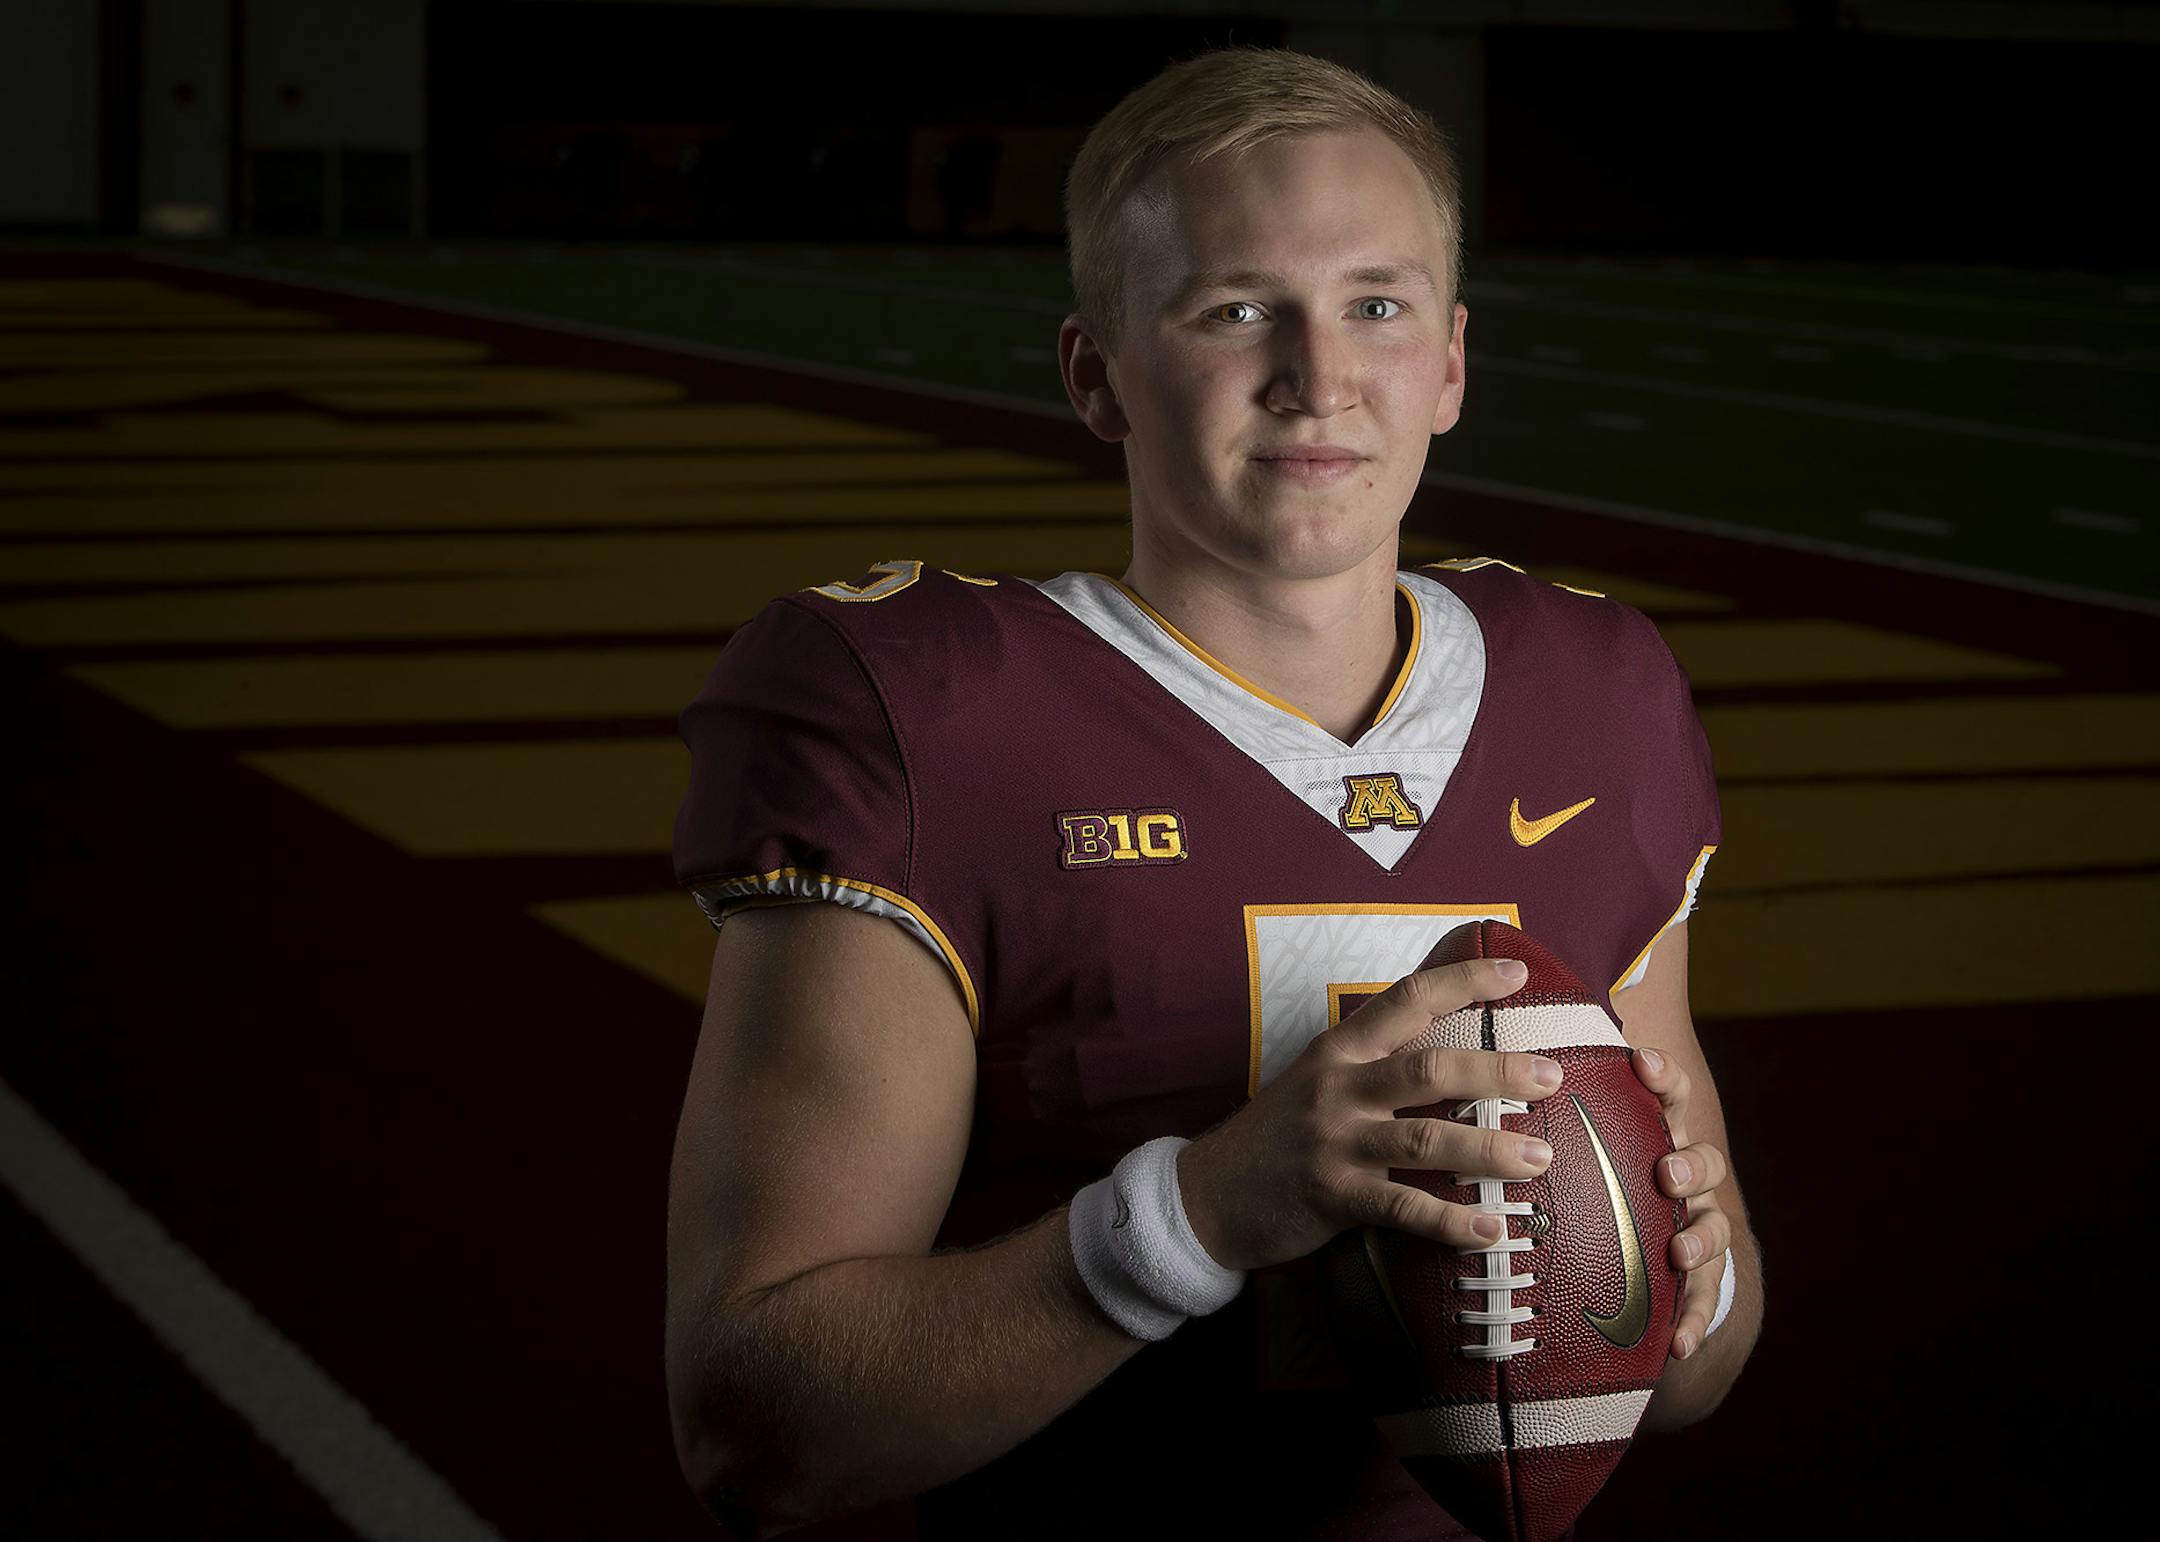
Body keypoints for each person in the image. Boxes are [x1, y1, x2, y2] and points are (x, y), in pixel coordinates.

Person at [665, 44, 1761, 1541]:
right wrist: (1201, 1213)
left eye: (1374, 304)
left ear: (1450, 362)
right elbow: (754, 1421)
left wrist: (1676, 1278)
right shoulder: (926, 708)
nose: (1318, 375)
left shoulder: (1598, 688)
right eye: (1236, 308)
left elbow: (1694, 1372)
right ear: (1095, 373)